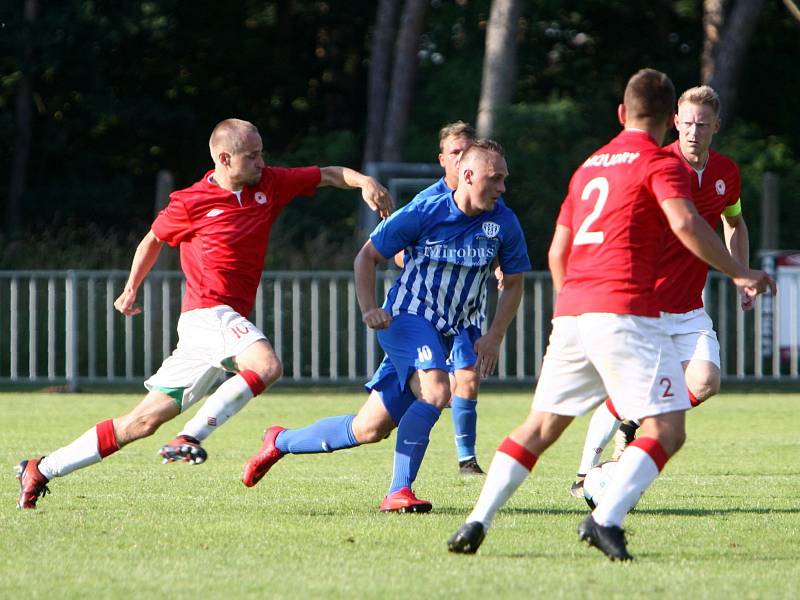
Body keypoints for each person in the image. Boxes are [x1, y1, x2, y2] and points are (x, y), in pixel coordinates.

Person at [447, 69, 774, 560]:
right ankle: (605, 518)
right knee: (669, 429)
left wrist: (567, 311)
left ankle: (476, 521)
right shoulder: (661, 164)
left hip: (575, 311)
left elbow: (558, 250)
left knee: (538, 428)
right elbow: (686, 223)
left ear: (621, 114)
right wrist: (740, 271)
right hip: (625, 310)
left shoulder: (590, 166)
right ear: (669, 121)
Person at [15, 118, 393, 509]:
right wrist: (131, 288)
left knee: (142, 422)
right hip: (207, 314)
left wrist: (364, 181)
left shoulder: (269, 185)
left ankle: (41, 468)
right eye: (253, 155)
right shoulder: (190, 201)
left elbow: (329, 174)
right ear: (225, 159)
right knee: (266, 366)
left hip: (215, 327)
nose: (262, 162)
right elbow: (153, 240)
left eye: (262, 152)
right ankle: (189, 437)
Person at [241, 139, 531, 512]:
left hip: (443, 331)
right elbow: (368, 257)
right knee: (437, 390)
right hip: (406, 318)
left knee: (369, 428)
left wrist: (493, 336)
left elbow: (515, 281)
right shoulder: (425, 210)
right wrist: (369, 308)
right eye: (496, 178)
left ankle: (280, 440)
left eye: (505, 179)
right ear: (468, 175)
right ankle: (399, 491)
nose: (502, 188)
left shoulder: (503, 221)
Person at [568, 85, 750, 498]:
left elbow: (734, 222)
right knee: (622, 392)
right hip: (644, 307)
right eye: (685, 123)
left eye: (702, 125)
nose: (692, 131)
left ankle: (634, 424)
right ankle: (584, 475)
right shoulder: (656, 165)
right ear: (674, 123)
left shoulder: (725, 173)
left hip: (688, 308)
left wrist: (740, 273)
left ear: (715, 127)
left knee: (706, 382)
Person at [393, 121, 504, 476]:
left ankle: (466, 458)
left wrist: (501, 267)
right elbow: (392, 250)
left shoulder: (489, 200)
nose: (459, 159)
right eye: (453, 153)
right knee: (431, 390)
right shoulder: (426, 203)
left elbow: (497, 241)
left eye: (465, 152)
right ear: (443, 159)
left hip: (468, 310)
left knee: (469, 377)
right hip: (426, 310)